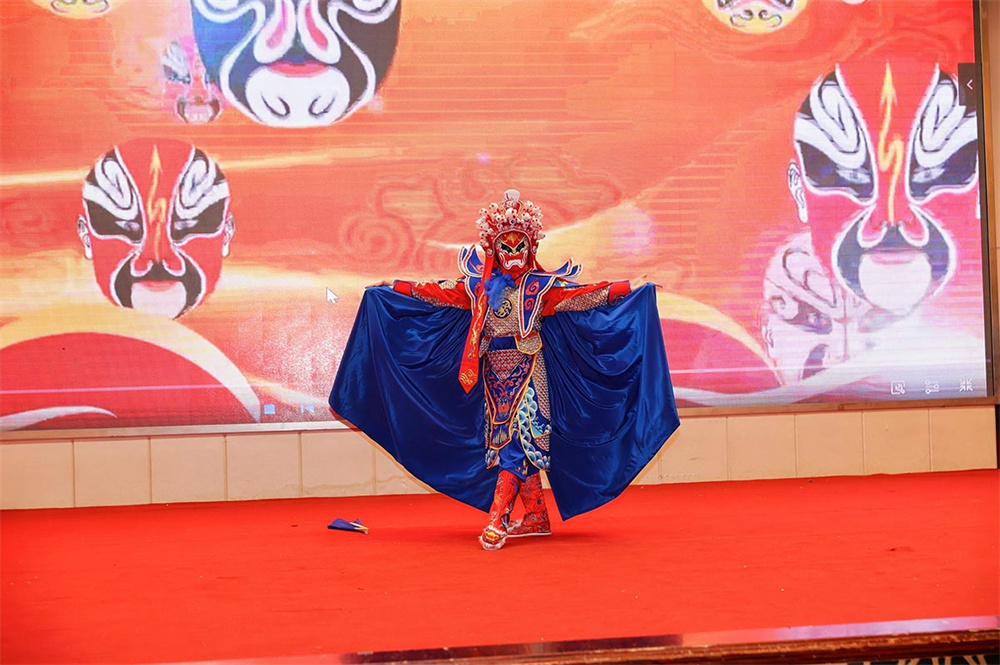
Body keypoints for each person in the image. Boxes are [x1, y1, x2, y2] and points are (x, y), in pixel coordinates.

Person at [330, 190, 679, 550]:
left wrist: (630, 287)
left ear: (531, 248)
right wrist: (394, 287)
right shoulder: (479, 288)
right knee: (510, 444)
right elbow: (438, 292)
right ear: (494, 250)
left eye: (520, 246)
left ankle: (497, 520)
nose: (513, 253)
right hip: (493, 376)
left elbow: (584, 295)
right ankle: (537, 516)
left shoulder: (541, 288)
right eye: (506, 247)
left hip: (530, 373)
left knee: (516, 442)